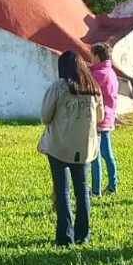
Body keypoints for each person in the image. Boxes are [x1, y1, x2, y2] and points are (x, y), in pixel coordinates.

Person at [40, 51, 104, 246]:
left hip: (60, 146)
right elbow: (100, 117)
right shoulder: (93, 88)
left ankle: (65, 237)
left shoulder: (59, 87)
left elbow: (44, 116)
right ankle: (82, 235)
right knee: (83, 191)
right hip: (85, 148)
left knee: (63, 192)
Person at [89, 43, 119, 197]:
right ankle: (113, 185)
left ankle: (95, 190)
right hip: (108, 120)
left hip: (98, 120)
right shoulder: (111, 73)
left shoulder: (98, 75)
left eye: (91, 55)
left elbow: (87, 89)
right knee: (108, 155)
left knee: (95, 156)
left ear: (97, 56)